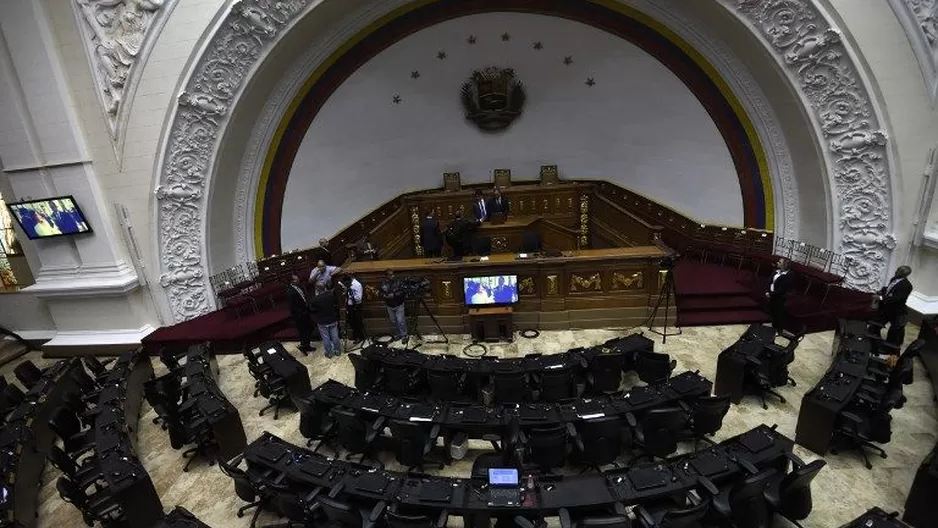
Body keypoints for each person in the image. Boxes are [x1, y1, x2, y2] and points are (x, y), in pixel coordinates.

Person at [877, 266, 913, 346]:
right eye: (897, 270)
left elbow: (896, 298)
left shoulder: (906, 286)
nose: (895, 272)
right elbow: (890, 289)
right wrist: (883, 290)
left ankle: (889, 347)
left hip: (896, 311)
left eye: (898, 271)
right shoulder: (894, 279)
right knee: (876, 324)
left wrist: (881, 297)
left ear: (903, 274)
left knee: (894, 332)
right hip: (887, 308)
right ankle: (875, 340)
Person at [309, 285, 341, 358]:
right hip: (332, 319)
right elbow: (336, 304)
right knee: (335, 336)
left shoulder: (314, 300)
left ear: (317, 290)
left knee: (326, 338)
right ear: (325, 288)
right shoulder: (331, 296)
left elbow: (312, 310)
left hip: (322, 322)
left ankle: (329, 353)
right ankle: (338, 351)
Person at [286, 275, 314, 353]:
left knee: (309, 328)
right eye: (296, 279)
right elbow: (293, 306)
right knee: (304, 330)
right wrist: (301, 314)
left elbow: (303, 296)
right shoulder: (290, 292)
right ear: (292, 281)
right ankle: (305, 346)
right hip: (300, 315)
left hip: (305, 311)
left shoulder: (299, 287)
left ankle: (305, 345)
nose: (298, 280)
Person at [765, 258, 793, 334]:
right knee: (772, 311)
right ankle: (774, 327)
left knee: (778, 314)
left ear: (784, 265)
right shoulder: (776, 271)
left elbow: (782, 290)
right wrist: (767, 291)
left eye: (779, 262)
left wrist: (770, 294)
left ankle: (779, 330)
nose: (777, 263)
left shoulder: (789, 275)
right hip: (771, 295)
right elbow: (769, 281)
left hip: (779, 297)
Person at [380, 269, 407, 343]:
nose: (392, 276)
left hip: (399, 304)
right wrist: (384, 295)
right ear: (386, 276)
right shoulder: (383, 283)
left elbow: (403, 291)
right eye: (390, 275)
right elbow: (380, 292)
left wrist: (394, 295)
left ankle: (404, 335)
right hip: (389, 305)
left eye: (393, 274)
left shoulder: (398, 282)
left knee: (400, 320)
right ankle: (398, 334)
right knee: (394, 321)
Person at [341, 274, 365, 343]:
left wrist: (350, 294)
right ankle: (355, 335)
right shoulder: (349, 284)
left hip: (356, 306)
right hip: (350, 306)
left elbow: (358, 298)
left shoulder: (357, 285)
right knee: (351, 322)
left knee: (357, 322)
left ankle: (360, 337)